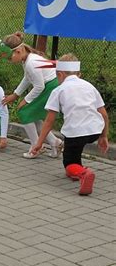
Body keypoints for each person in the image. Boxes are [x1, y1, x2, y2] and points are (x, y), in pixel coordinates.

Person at [30, 54, 109, 195]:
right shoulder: (89, 86)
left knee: (68, 163)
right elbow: (103, 114)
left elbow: (49, 121)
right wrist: (103, 136)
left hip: (76, 132)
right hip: (95, 130)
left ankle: (82, 173)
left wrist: (39, 143)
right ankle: (77, 170)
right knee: (75, 150)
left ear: (59, 75)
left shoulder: (59, 90)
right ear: (79, 74)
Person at [0, 31, 63, 159]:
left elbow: (39, 86)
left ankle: (36, 146)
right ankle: (55, 142)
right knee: (32, 115)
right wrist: (15, 95)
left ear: (17, 52)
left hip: (50, 86)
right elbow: (27, 78)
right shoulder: (27, 59)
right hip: (49, 85)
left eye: (9, 58)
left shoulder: (31, 63)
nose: (9, 61)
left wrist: (26, 100)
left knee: (24, 112)